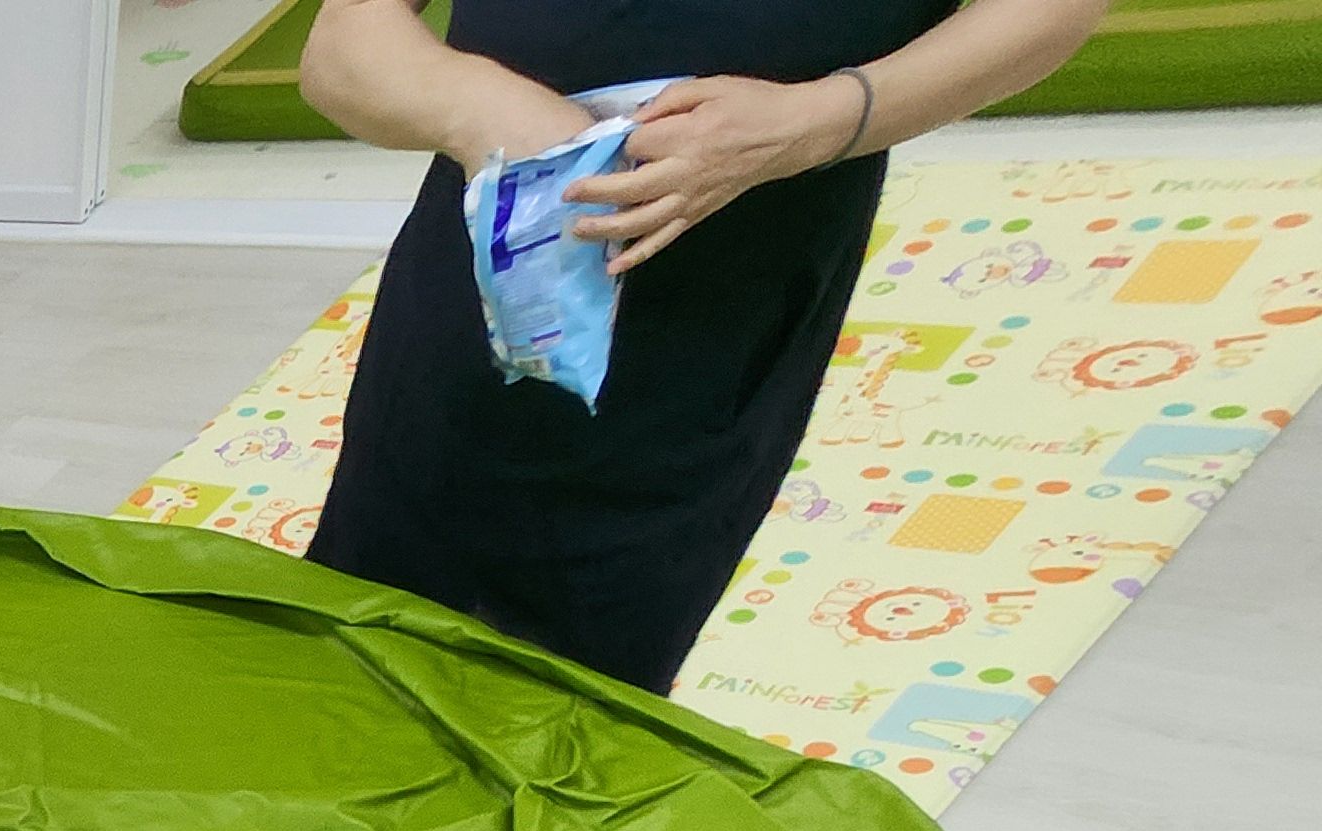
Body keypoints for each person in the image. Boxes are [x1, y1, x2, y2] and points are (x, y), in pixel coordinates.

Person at [297, 0, 1107, 692]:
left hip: (726, 312)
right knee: (355, 635)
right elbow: (343, 46)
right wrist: (474, 105)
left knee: (583, 680)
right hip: (475, 288)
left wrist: (819, 120)